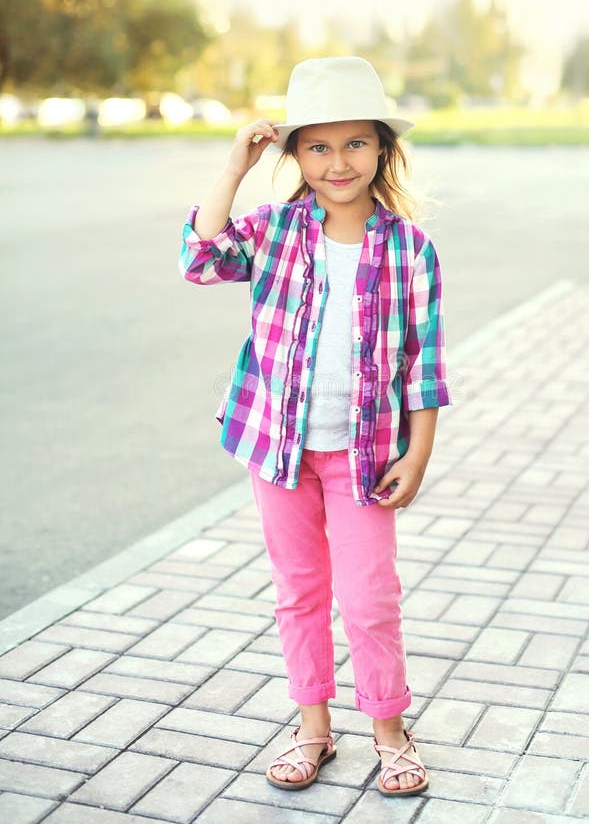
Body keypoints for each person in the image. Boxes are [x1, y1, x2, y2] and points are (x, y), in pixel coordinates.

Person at [179, 56, 451, 796]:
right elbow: (199, 259)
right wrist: (233, 168)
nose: (338, 162)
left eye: (355, 144)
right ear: (295, 155)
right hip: (279, 451)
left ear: (382, 151)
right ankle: (313, 728)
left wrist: (418, 452)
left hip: (363, 457)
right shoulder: (272, 231)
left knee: (369, 597)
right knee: (299, 590)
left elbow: (422, 364)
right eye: (318, 146)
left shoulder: (409, 248)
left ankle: (389, 730)